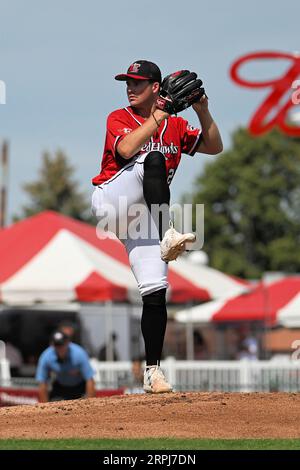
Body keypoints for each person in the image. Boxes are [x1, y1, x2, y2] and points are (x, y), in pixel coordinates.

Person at [91, 60, 222, 393]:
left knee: (155, 291)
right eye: (128, 83)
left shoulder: (176, 126)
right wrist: (159, 113)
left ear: (155, 87)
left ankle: (153, 372)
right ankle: (168, 232)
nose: (130, 88)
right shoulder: (119, 117)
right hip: (113, 200)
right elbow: (125, 149)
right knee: (152, 159)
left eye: (137, 83)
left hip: (145, 216)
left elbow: (214, 146)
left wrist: (202, 110)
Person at [36, 331, 96, 402]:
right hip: (60, 387)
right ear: (52, 345)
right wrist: (44, 406)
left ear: (68, 343)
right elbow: (42, 382)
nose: (60, 348)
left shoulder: (79, 354)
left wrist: (89, 402)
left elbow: (90, 380)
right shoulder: (46, 357)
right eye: (57, 345)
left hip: (79, 387)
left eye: (62, 345)